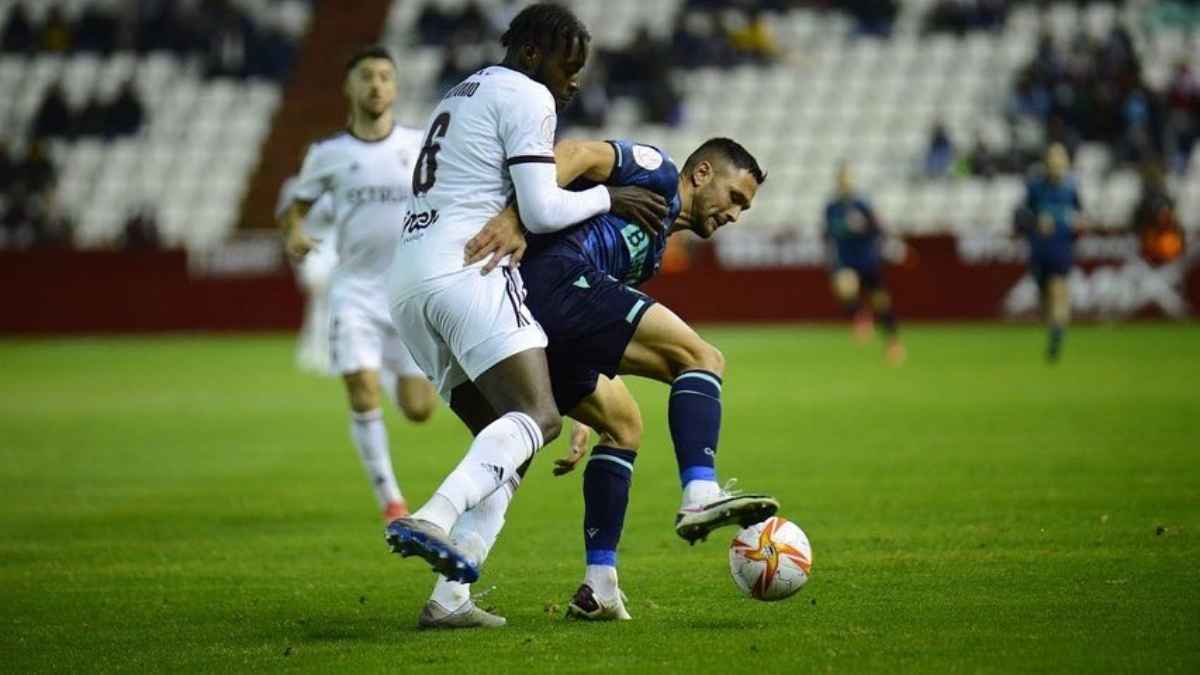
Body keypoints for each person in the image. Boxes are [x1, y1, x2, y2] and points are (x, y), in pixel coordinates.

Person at [382, 3, 667, 628]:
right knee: (535, 416)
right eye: (569, 66)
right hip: (470, 268)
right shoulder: (528, 95)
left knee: (510, 443)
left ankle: (448, 597)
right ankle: (434, 514)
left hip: (409, 280)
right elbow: (538, 210)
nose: (573, 82)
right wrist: (610, 195)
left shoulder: (462, 91)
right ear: (534, 53)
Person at [461, 136, 779, 621]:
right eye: (735, 198)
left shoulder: (651, 251)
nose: (735, 214)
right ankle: (700, 494)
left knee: (623, 424)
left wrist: (583, 407)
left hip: (547, 314)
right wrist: (514, 216)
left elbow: (600, 324)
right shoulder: (655, 171)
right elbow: (575, 153)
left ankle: (599, 587)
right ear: (701, 174)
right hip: (555, 278)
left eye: (745, 208)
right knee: (701, 358)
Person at [277, 46, 438, 522]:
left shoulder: (418, 145)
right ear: (349, 86)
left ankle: (387, 368)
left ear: (395, 87)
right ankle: (392, 501)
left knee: (418, 408)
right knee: (362, 392)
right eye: (366, 76)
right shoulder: (328, 155)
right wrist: (295, 234)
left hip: (407, 293)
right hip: (355, 291)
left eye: (386, 76)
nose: (376, 85)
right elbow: (297, 208)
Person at [824, 163, 904, 364]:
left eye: (848, 178)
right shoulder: (831, 207)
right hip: (846, 261)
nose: (845, 181)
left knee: (882, 305)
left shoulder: (862, 204)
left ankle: (893, 343)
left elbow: (878, 227)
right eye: (842, 178)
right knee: (844, 287)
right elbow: (828, 235)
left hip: (868, 260)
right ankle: (861, 316)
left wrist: (865, 228)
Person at [1013, 143, 1083, 362]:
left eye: (1060, 158)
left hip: (1061, 246)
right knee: (1044, 299)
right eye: (1052, 158)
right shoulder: (1035, 187)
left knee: (1058, 289)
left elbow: (1080, 213)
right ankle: (1053, 329)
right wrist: (1035, 222)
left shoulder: (1071, 188)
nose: (1056, 163)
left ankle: (1057, 337)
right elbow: (1020, 216)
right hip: (1040, 248)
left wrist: (1074, 226)